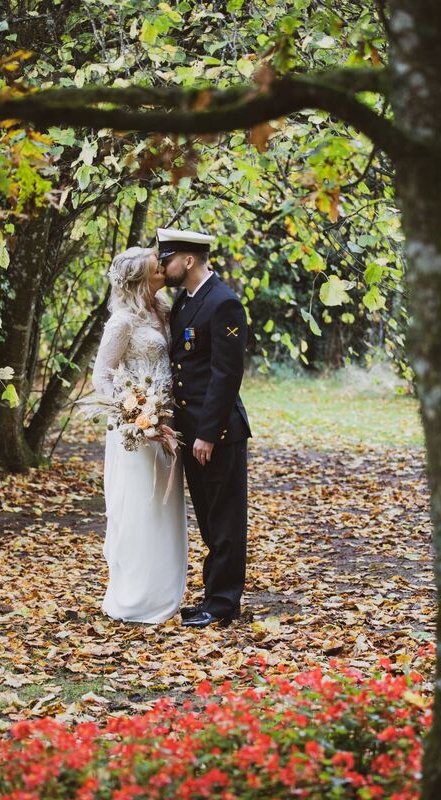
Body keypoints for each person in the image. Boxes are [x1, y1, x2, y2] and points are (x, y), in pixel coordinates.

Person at [159, 227, 251, 629]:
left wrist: (207, 433)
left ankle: (224, 604)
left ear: (189, 260)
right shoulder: (184, 302)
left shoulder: (224, 303)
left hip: (217, 433)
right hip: (191, 429)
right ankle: (213, 597)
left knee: (226, 520)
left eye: (168, 259)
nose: (164, 267)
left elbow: (226, 374)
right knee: (210, 521)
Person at [90, 247, 188, 624]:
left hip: (167, 427)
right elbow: (102, 377)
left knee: (164, 509)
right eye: (156, 267)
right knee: (138, 508)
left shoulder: (164, 311)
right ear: (141, 279)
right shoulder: (122, 322)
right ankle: (133, 598)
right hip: (135, 433)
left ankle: (165, 593)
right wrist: (137, 416)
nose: (163, 268)